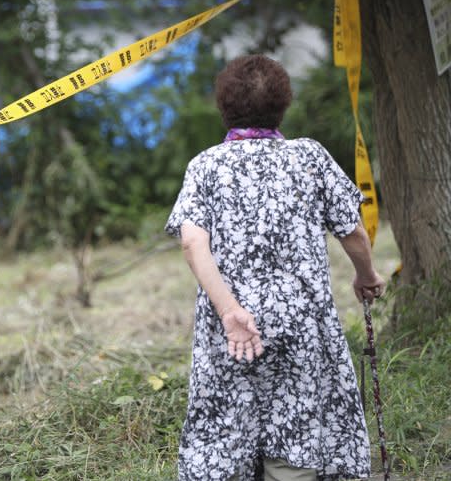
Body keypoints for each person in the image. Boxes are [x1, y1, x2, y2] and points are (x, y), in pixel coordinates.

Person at [164, 55, 386, 481]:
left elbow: (192, 242)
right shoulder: (310, 157)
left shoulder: (205, 165)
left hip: (229, 327)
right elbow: (353, 233)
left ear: (223, 107)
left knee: (224, 433)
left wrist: (229, 309)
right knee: (298, 430)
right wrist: (367, 276)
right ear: (284, 105)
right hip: (302, 320)